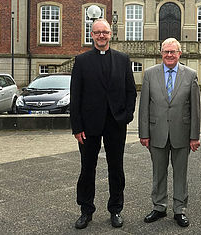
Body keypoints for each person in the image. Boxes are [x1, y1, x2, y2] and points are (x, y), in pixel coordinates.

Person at [70, 18, 137, 229]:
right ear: (92, 35)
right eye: (97, 32)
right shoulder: (81, 61)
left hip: (115, 123)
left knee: (116, 168)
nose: (101, 35)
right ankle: (86, 210)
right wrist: (77, 127)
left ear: (110, 35)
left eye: (105, 32)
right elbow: (75, 96)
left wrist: (126, 116)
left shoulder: (123, 59)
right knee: (87, 169)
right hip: (89, 126)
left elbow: (130, 91)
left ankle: (116, 209)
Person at [138, 38, 201, 228]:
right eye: (166, 52)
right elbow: (144, 107)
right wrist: (144, 133)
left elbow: (195, 109)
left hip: (182, 133)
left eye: (173, 52)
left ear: (180, 54)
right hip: (156, 132)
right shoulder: (149, 74)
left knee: (180, 173)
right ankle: (159, 206)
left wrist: (194, 136)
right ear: (161, 53)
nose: (169, 55)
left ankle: (179, 209)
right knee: (158, 173)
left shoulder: (190, 75)